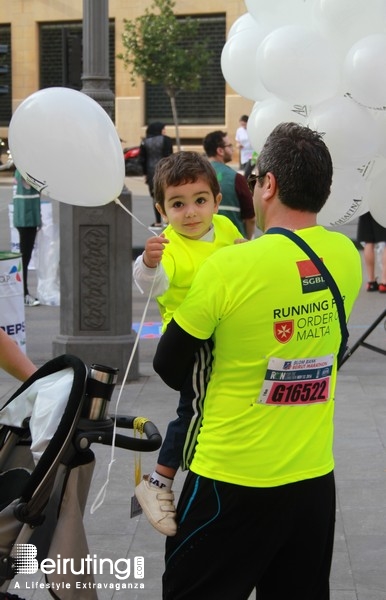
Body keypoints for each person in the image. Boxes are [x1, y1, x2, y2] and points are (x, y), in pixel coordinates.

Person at [153, 122, 362, 599]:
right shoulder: (346, 256)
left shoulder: (230, 265)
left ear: (268, 184)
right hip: (311, 480)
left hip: (229, 478)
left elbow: (169, 367)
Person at [133, 151, 245, 537]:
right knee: (194, 409)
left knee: (213, 409)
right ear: (162, 209)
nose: (191, 213)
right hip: (190, 343)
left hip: (226, 337)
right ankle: (158, 481)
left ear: (216, 200)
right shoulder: (170, 248)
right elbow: (151, 284)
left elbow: (244, 259)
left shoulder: (228, 228)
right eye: (178, 204)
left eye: (200, 200)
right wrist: (148, 263)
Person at [203, 130, 256, 239]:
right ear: (220, 151)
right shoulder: (237, 179)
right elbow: (251, 219)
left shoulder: (195, 176)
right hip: (234, 244)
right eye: (230, 145)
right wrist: (247, 239)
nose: (233, 149)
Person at [12, 169, 41, 307]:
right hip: (27, 219)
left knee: (24, 258)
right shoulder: (26, 170)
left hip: (25, 218)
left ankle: (22, 293)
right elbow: (34, 185)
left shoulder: (21, 169)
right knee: (24, 258)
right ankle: (23, 294)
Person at [139, 121, 173, 228]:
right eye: (163, 129)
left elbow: (142, 160)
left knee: (156, 197)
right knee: (168, 196)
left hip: (151, 173)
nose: (165, 131)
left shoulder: (145, 142)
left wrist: (145, 174)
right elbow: (170, 156)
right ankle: (169, 221)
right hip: (166, 171)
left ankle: (158, 222)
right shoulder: (166, 140)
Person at [357, 211, 386, 293]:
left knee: (368, 242)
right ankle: (384, 282)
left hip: (366, 206)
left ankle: (371, 282)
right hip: (382, 204)